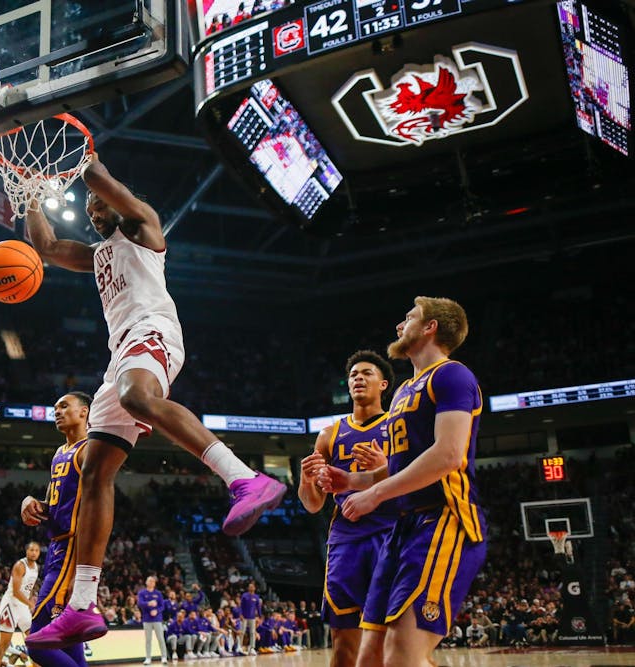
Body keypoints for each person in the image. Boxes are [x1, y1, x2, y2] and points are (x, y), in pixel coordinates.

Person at [24, 154, 285, 649]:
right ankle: (82, 606)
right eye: (89, 208)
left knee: (136, 396)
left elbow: (101, 177)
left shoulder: (145, 229)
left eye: (98, 204)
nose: (93, 211)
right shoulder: (99, 254)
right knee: (94, 472)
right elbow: (48, 245)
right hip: (119, 352)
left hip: (154, 333)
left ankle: (244, 478)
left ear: (119, 199)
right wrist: (30, 194)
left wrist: (82, 155)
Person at [317, 297, 487, 667]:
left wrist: (374, 494)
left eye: (409, 318)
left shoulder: (452, 375)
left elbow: (448, 455)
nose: (399, 325)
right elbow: (396, 466)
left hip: (444, 520)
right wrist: (352, 479)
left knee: (402, 657)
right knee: (370, 659)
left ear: (431, 328)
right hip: (404, 528)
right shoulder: (403, 393)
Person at [298, 350, 394, 667]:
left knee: (392, 639)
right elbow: (313, 505)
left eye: (366, 373)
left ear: (383, 384)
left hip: (390, 535)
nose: (358, 378)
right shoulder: (329, 435)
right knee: (343, 644)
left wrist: (384, 468)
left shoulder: (397, 426)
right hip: (346, 541)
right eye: (353, 374)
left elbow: (416, 480)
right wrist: (306, 480)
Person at [18, 392, 92, 667]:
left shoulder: (90, 449)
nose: (57, 412)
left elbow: (96, 511)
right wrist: (33, 503)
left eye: (64, 406)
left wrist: (81, 571)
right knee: (69, 640)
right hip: (57, 548)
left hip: (72, 551)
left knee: (36, 642)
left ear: (84, 412)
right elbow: (56, 504)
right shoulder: (60, 453)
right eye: (55, 408)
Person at [0, 542, 41, 667]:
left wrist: (30, 601)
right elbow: (15, 591)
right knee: (4, 644)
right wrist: (30, 604)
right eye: (31, 550)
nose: (34, 552)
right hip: (10, 605)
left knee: (34, 641)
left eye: (36, 550)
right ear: (26, 551)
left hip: (22, 606)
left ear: (39, 553)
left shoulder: (36, 567)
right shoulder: (20, 565)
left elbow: (28, 588)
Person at [137, 576, 166, 665]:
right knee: (148, 640)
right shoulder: (142, 593)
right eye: (149, 581)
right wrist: (148, 603)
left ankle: (164, 657)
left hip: (157, 619)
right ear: (146, 582)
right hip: (146, 619)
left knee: (160, 638)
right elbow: (140, 603)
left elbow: (162, 606)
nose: (151, 582)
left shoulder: (158, 593)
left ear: (154, 583)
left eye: (152, 581)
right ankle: (148, 658)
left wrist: (157, 611)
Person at [238, 583, 261, 656]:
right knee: (242, 632)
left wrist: (259, 616)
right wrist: (240, 614)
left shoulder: (256, 597)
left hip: (252, 617)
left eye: (252, 587)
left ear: (254, 588)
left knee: (252, 633)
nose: (251, 588)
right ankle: (239, 646)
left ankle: (252, 648)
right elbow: (241, 606)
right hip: (244, 617)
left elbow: (258, 607)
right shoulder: (244, 595)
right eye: (250, 586)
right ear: (248, 588)